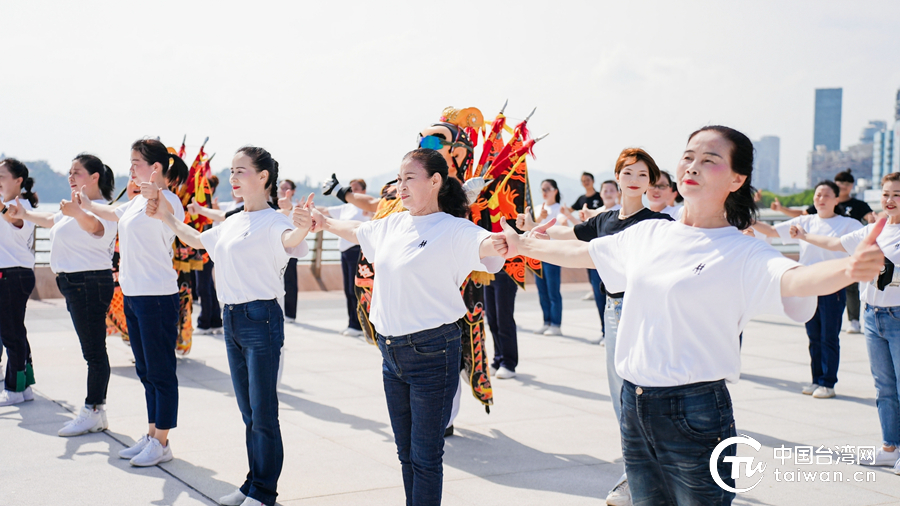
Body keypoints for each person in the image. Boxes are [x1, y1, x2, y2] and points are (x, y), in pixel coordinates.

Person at [496, 125, 885, 504]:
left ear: (736, 179)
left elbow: (797, 279)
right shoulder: (649, 233)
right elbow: (582, 254)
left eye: (709, 159)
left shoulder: (741, 250)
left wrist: (849, 269)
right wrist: (521, 244)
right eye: (687, 156)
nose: (692, 166)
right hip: (635, 403)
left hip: (695, 412)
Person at [310, 148, 505, 506]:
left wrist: (512, 239)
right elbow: (357, 229)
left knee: (425, 457)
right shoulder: (393, 224)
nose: (400, 187)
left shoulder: (455, 228)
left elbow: (488, 246)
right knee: (405, 454)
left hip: (433, 352)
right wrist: (322, 222)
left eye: (409, 179)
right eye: (398, 179)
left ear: (435, 182)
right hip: (391, 354)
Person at [149, 146, 310, 506]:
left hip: (261, 318)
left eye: (241, 171)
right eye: (232, 171)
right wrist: (165, 217)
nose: (234, 178)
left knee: (263, 412)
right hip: (232, 318)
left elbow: (289, 242)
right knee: (248, 412)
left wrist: (301, 228)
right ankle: (253, 482)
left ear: (263, 177)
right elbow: (197, 240)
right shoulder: (234, 220)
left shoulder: (275, 222)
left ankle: (265, 491)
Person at [518, 147, 671, 505]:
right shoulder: (605, 220)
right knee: (621, 398)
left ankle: (640, 479)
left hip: (645, 312)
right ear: (617, 177)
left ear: (651, 183)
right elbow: (573, 234)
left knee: (642, 396)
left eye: (643, 175)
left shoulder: (659, 224)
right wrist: (533, 230)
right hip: (613, 311)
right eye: (628, 173)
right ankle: (638, 475)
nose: (635, 181)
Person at [79, 139, 188, 467]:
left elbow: (176, 225)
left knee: (161, 372)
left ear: (155, 168)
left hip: (158, 296)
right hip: (134, 294)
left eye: (136, 162)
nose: (130, 168)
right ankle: (152, 434)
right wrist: (84, 202)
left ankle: (163, 441)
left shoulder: (168, 201)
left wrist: (154, 194)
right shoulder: (136, 201)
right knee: (145, 370)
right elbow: (111, 212)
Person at [7, 154, 119, 434]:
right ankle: (97, 412)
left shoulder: (102, 209)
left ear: (95, 177)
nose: (71, 177)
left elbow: (95, 227)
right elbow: (49, 218)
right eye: (69, 172)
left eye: (77, 172)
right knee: (91, 350)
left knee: (93, 351)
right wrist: (22, 214)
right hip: (75, 284)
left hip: (89, 283)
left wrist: (78, 212)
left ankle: (93, 409)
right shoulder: (75, 208)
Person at [752, 181, 862, 399]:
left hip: (833, 286)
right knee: (813, 335)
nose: (820, 199)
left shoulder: (848, 224)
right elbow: (773, 231)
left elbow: (864, 242)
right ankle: (816, 380)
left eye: (826, 195)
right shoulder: (805, 221)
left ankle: (828, 383)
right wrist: (749, 221)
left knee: (829, 336)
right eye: (818, 194)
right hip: (808, 285)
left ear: (836, 200)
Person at [772, 169, 875, 333]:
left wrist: (878, 223)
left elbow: (872, 219)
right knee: (814, 336)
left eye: (846, 184)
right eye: (840, 184)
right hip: (812, 277)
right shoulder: (815, 213)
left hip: (844, 260)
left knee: (850, 292)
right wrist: (781, 209)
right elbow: (801, 214)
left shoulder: (857, 206)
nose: (843, 187)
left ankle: (854, 320)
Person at [0, 158, 38, 406]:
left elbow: (15, 220)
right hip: (11, 273)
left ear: (18, 180)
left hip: (14, 274)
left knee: (11, 333)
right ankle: (25, 386)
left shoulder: (21, 206)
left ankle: (14, 389)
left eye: (2, 175)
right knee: (16, 331)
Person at [321, 178, 370, 337]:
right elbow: (326, 211)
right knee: (348, 290)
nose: (352, 191)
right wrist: (304, 208)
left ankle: (362, 325)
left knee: (358, 289)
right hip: (345, 252)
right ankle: (353, 323)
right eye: (351, 188)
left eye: (356, 188)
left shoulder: (366, 207)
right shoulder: (346, 207)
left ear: (363, 191)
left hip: (358, 250)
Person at [533, 179, 565, 336]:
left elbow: (563, 226)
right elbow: (531, 227)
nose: (545, 192)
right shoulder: (538, 208)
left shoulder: (560, 209)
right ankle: (546, 321)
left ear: (555, 191)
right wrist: (539, 218)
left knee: (553, 291)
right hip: (537, 253)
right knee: (542, 290)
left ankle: (556, 324)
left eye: (548, 188)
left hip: (552, 253)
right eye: (542, 189)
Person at [195, 175, 224, 335]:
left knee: (203, 287)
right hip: (203, 249)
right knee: (207, 287)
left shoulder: (211, 208)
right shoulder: (202, 206)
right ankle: (215, 322)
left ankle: (204, 323)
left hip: (206, 251)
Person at [277, 179, 299, 323]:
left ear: (292, 191)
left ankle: (290, 314)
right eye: (281, 187)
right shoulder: (272, 205)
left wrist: (290, 209)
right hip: (275, 248)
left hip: (291, 248)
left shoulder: (297, 207)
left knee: (290, 281)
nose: (283, 190)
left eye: (287, 188)